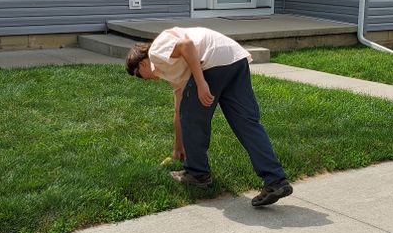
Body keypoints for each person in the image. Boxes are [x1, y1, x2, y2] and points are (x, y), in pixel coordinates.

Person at [126, 27, 293, 207]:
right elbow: (179, 110)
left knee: (193, 119)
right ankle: (276, 180)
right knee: (247, 123)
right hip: (234, 59)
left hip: (212, 62)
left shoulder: (155, 51)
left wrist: (201, 82)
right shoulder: (170, 69)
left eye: (138, 76)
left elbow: (186, 44)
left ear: (141, 64)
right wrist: (177, 148)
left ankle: (198, 174)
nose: (143, 80)